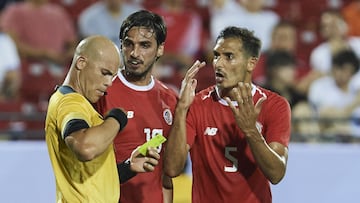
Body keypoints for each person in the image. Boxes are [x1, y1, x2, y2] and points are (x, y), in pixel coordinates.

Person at [164, 26, 291, 202]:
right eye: (216, 56)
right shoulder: (197, 104)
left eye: (229, 57)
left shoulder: (274, 105)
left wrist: (251, 131)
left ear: (251, 63)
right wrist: (181, 110)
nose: (219, 64)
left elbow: (276, 174)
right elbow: (172, 168)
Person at [45, 35, 161, 202]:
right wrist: (116, 118)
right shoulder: (70, 102)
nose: (109, 83)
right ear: (81, 63)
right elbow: (85, 147)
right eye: (104, 73)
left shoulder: (76, 103)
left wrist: (128, 167)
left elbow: (86, 176)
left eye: (112, 76)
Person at [95, 10, 176, 203]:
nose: (134, 53)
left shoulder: (170, 100)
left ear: (160, 49)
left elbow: (166, 175)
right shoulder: (101, 91)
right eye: (128, 44)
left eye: (145, 45)